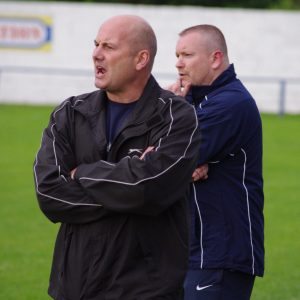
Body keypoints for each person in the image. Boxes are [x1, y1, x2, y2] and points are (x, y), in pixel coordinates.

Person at [33, 15, 201, 300]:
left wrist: (81, 174)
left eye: (109, 47)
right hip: (75, 288)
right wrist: (129, 180)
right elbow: (49, 193)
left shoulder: (176, 117)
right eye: (96, 45)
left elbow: (150, 189)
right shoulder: (70, 114)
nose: (96, 54)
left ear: (140, 59)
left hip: (145, 290)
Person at [168, 25, 264, 300]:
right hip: (197, 251)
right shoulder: (197, 103)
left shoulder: (230, 104)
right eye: (177, 55)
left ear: (215, 58)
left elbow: (163, 162)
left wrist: (180, 162)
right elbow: (171, 158)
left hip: (220, 253)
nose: (178, 62)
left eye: (186, 54)